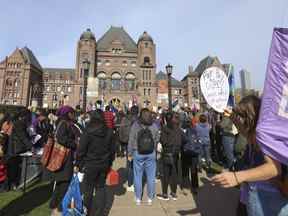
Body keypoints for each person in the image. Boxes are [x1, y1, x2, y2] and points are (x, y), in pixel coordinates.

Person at [212, 95, 288, 216]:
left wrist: (237, 177)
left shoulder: (262, 133)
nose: (239, 120)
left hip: (267, 199)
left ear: (250, 115)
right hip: (259, 194)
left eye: (241, 116)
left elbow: (274, 168)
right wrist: (232, 116)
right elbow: (245, 132)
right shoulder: (256, 132)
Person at [75, 110, 114, 216]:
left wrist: (78, 163)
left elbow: (81, 149)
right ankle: (99, 212)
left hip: (91, 164)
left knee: (89, 189)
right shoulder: (109, 131)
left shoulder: (88, 130)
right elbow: (112, 151)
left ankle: (88, 211)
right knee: (100, 187)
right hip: (103, 163)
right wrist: (109, 163)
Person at [49, 106, 77, 216]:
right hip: (64, 157)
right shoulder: (64, 123)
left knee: (62, 182)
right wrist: (74, 144)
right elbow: (61, 138)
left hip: (64, 156)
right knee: (65, 182)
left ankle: (54, 205)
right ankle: (60, 206)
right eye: (72, 113)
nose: (74, 115)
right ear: (68, 113)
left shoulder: (63, 122)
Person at [128, 108, 159, 205]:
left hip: (138, 152)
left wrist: (129, 153)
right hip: (151, 153)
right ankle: (150, 197)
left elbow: (131, 139)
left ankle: (138, 198)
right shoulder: (154, 125)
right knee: (151, 176)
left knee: (138, 176)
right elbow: (157, 139)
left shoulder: (135, 125)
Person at [157, 112, 183, 201]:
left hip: (168, 154)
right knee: (174, 174)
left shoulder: (165, 128)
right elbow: (184, 139)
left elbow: (163, 141)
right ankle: (173, 193)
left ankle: (165, 194)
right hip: (175, 154)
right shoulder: (178, 129)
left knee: (166, 174)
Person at [119, 106, 139, 192]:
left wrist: (122, 142)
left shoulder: (124, 119)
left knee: (129, 164)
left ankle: (131, 184)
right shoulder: (140, 120)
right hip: (138, 145)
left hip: (128, 144)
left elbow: (120, 131)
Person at [183, 119, 201, 195]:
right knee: (194, 170)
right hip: (195, 153)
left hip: (187, 153)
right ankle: (195, 187)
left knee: (185, 169)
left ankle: (185, 186)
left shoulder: (184, 132)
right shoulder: (196, 130)